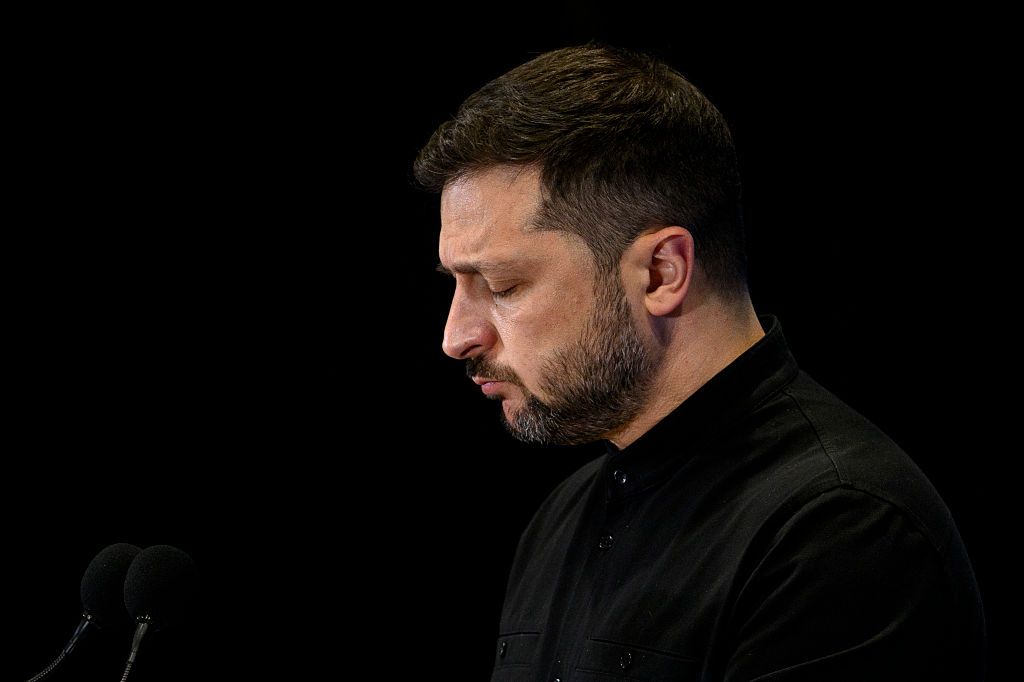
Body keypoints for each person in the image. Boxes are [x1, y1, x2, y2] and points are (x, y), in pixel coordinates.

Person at [414, 44, 986, 681]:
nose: (456, 337)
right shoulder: (560, 521)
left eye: (503, 286)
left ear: (662, 273)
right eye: (455, 285)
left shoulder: (842, 529)